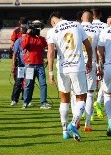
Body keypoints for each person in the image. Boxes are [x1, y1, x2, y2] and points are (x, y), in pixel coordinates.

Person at [47, 12, 92, 142]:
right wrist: (89, 61)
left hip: (62, 68)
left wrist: (50, 72)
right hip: (77, 66)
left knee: (64, 99)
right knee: (81, 97)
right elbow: (88, 45)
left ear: (53, 22)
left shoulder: (52, 31)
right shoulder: (77, 25)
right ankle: (74, 123)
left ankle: (64, 131)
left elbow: (50, 51)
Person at [20, 21, 50, 109]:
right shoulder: (27, 38)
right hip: (30, 65)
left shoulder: (41, 39)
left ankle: (43, 103)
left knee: (43, 84)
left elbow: (47, 47)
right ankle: (26, 102)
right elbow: (23, 46)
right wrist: (28, 34)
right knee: (28, 84)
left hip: (40, 65)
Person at [80, 9, 101, 132]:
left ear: (82, 18)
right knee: (90, 94)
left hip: (77, 64)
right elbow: (98, 51)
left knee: (76, 94)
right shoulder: (96, 30)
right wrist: (99, 65)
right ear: (92, 19)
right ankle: (87, 124)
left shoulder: (77, 28)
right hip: (91, 64)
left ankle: (76, 120)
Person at [10, 33, 26, 106]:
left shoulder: (18, 40)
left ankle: (14, 100)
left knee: (18, 82)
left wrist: (13, 64)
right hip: (27, 65)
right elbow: (15, 53)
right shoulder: (19, 41)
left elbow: (14, 53)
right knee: (27, 82)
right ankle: (26, 100)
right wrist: (13, 64)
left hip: (22, 65)